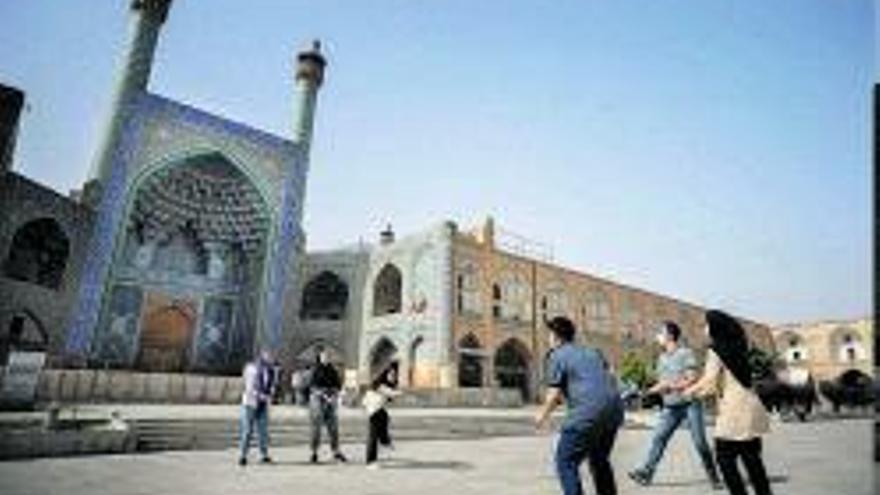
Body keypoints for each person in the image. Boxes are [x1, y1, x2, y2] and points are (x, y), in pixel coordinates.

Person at [682, 310, 773, 495]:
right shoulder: (740, 346)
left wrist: (689, 392)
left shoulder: (716, 351)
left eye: (706, 325)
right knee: (752, 460)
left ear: (715, 327)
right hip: (752, 407)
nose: (705, 329)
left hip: (734, 410)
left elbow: (709, 382)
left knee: (724, 458)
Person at [535, 316, 624, 495]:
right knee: (599, 460)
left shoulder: (557, 355)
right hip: (614, 410)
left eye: (549, 335)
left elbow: (554, 393)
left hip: (587, 412)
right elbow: (610, 376)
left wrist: (541, 415)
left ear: (556, 336)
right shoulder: (593, 352)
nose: (548, 339)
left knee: (565, 461)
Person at [628, 321, 722, 489]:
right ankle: (646, 472)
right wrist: (647, 392)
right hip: (671, 407)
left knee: (700, 442)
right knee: (659, 438)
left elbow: (692, 378)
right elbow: (662, 383)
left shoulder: (685, 353)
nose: (657, 336)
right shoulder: (661, 358)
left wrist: (670, 386)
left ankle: (713, 475)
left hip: (689, 404)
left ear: (670, 336)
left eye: (660, 332)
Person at [308, 347, 348, 464]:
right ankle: (314, 452)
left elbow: (338, 386)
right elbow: (313, 387)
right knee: (316, 428)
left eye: (328, 356)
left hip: (331, 399)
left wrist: (335, 396)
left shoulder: (333, 370)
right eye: (324, 356)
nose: (326, 358)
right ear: (319, 358)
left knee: (333, 427)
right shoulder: (315, 370)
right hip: (317, 400)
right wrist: (325, 396)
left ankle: (335, 451)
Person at [238, 349, 276, 466]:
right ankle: (243, 455)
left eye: (271, 356)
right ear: (262, 355)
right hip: (250, 403)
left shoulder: (271, 371)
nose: (270, 358)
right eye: (268, 355)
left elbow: (271, 386)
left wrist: (269, 395)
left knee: (263, 431)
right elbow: (247, 385)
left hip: (263, 404)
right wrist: (259, 395)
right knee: (247, 430)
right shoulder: (251, 368)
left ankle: (263, 455)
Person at [362, 361, 402, 469]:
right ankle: (370, 461)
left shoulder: (388, 385)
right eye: (391, 375)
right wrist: (400, 393)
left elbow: (389, 395)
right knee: (373, 435)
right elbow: (389, 393)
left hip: (378, 408)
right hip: (372, 409)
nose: (392, 377)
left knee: (385, 418)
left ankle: (385, 441)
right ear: (386, 374)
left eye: (394, 375)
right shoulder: (379, 384)